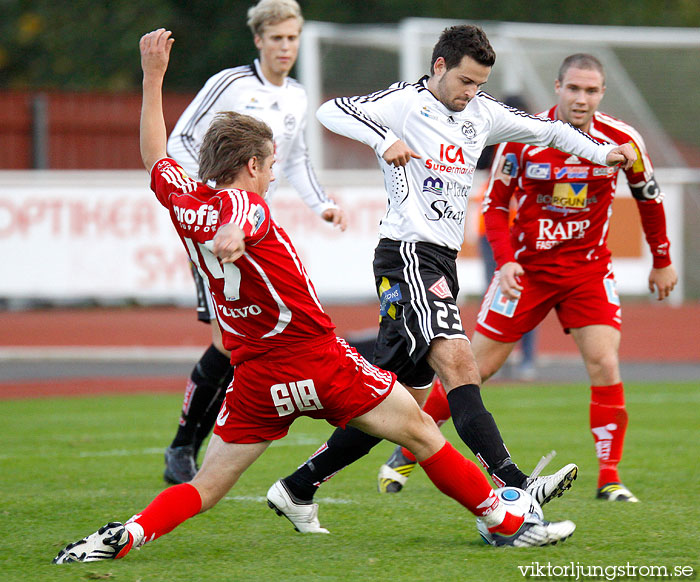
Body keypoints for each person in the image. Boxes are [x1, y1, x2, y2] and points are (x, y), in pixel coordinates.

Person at [51, 28, 577, 564]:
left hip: (256, 376)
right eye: (272, 163)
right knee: (421, 429)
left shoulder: (185, 201)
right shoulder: (246, 208)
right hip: (319, 361)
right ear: (252, 166)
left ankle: (131, 533)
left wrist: (153, 78)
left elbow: (154, 157)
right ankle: (505, 519)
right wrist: (233, 230)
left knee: (207, 486)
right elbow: (239, 215)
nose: (275, 171)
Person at [267, 25, 639, 519]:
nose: (471, 93)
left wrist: (601, 152)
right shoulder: (403, 101)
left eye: (480, 84)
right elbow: (331, 110)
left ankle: (296, 487)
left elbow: (548, 130)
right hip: (407, 255)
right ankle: (517, 485)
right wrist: (384, 139)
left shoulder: (481, 112)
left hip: (439, 260)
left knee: (398, 406)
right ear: (439, 66)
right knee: (462, 365)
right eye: (465, 81)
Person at [377, 53, 677, 502]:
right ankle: (408, 450)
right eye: (573, 88)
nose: (581, 98)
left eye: (591, 90)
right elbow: (495, 206)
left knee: (605, 362)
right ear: (557, 87)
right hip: (527, 271)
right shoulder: (524, 136)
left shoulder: (623, 141)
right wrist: (507, 260)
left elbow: (648, 199)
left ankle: (610, 478)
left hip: (587, 272)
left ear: (602, 93)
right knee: (476, 369)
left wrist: (662, 259)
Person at [162, 0, 347, 485]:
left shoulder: (298, 95)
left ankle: (199, 445)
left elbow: (296, 160)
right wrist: (207, 200)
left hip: (255, 231)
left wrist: (321, 203)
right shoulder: (230, 84)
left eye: (293, 38)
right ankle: (183, 446)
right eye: (278, 38)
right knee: (227, 341)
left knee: (243, 340)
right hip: (217, 228)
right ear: (259, 40)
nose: (286, 47)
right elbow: (180, 139)